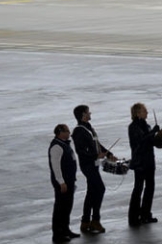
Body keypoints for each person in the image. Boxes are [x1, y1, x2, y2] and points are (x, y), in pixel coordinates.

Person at [71, 104, 114, 234]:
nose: (90, 114)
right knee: (100, 188)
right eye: (88, 112)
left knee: (91, 192)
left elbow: (97, 144)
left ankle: (85, 222)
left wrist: (108, 154)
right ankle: (95, 220)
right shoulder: (78, 131)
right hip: (87, 165)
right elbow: (81, 151)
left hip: (93, 164)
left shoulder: (89, 128)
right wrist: (96, 155)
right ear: (83, 115)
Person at [127, 103, 160, 227]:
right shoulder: (133, 127)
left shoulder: (146, 125)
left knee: (150, 187)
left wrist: (158, 136)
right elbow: (140, 142)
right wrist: (152, 133)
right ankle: (133, 217)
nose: (147, 112)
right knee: (138, 188)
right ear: (137, 113)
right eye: (144, 111)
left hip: (149, 160)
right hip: (140, 162)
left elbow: (151, 142)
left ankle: (146, 214)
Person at [49, 124, 79, 243]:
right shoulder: (56, 146)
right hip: (62, 182)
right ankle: (57, 234)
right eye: (67, 131)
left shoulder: (65, 144)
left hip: (69, 181)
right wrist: (61, 182)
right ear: (60, 132)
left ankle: (65, 229)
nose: (69, 133)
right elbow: (55, 166)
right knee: (60, 208)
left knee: (67, 206)